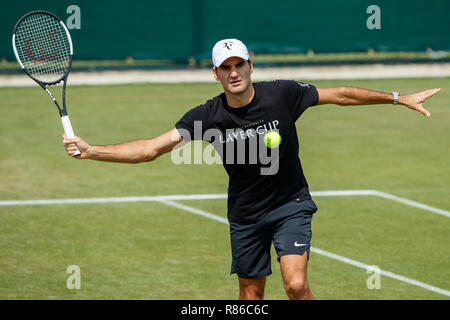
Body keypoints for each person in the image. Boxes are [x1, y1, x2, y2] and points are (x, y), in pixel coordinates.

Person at [63, 38, 440, 300]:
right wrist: (93, 150)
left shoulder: (282, 94)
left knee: (294, 285)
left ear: (250, 65)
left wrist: (398, 98)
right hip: (245, 216)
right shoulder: (206, 116)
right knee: (250, 296)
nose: (233, 72)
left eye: (239, 64)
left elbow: (340, 94)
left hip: (291, 204)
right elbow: (150, 150)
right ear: (215, 73)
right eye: (225, 67)